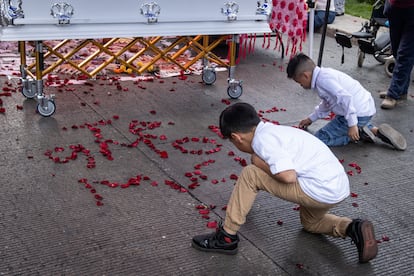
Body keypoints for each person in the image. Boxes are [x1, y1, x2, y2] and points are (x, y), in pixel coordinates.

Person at [191, 102, 378, 263]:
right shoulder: (275, 131)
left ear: (236, 137)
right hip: (336, 187)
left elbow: (288, 176)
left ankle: (227, 236)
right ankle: (352, 227)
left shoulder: (263, 140)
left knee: (251, 174)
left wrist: (258, 163)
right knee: (311, 223)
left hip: (319, 189)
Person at [286, 53, 407, 150]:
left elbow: (346, 98)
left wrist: (352, 125)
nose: (300, 85)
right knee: (345, 122)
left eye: (299, 82)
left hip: (357, 113)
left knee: (319, 139)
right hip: (364, 109)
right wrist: (311, 118)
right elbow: (327, 103)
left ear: (305, 75)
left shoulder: (323, 80)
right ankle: (370, 129)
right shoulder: (323, 76)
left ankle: (356, 134)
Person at [380, 0, 414, 109]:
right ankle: (401, 90)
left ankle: (393, 94)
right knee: (396, 50)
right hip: (395, 7)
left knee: (405, 53)